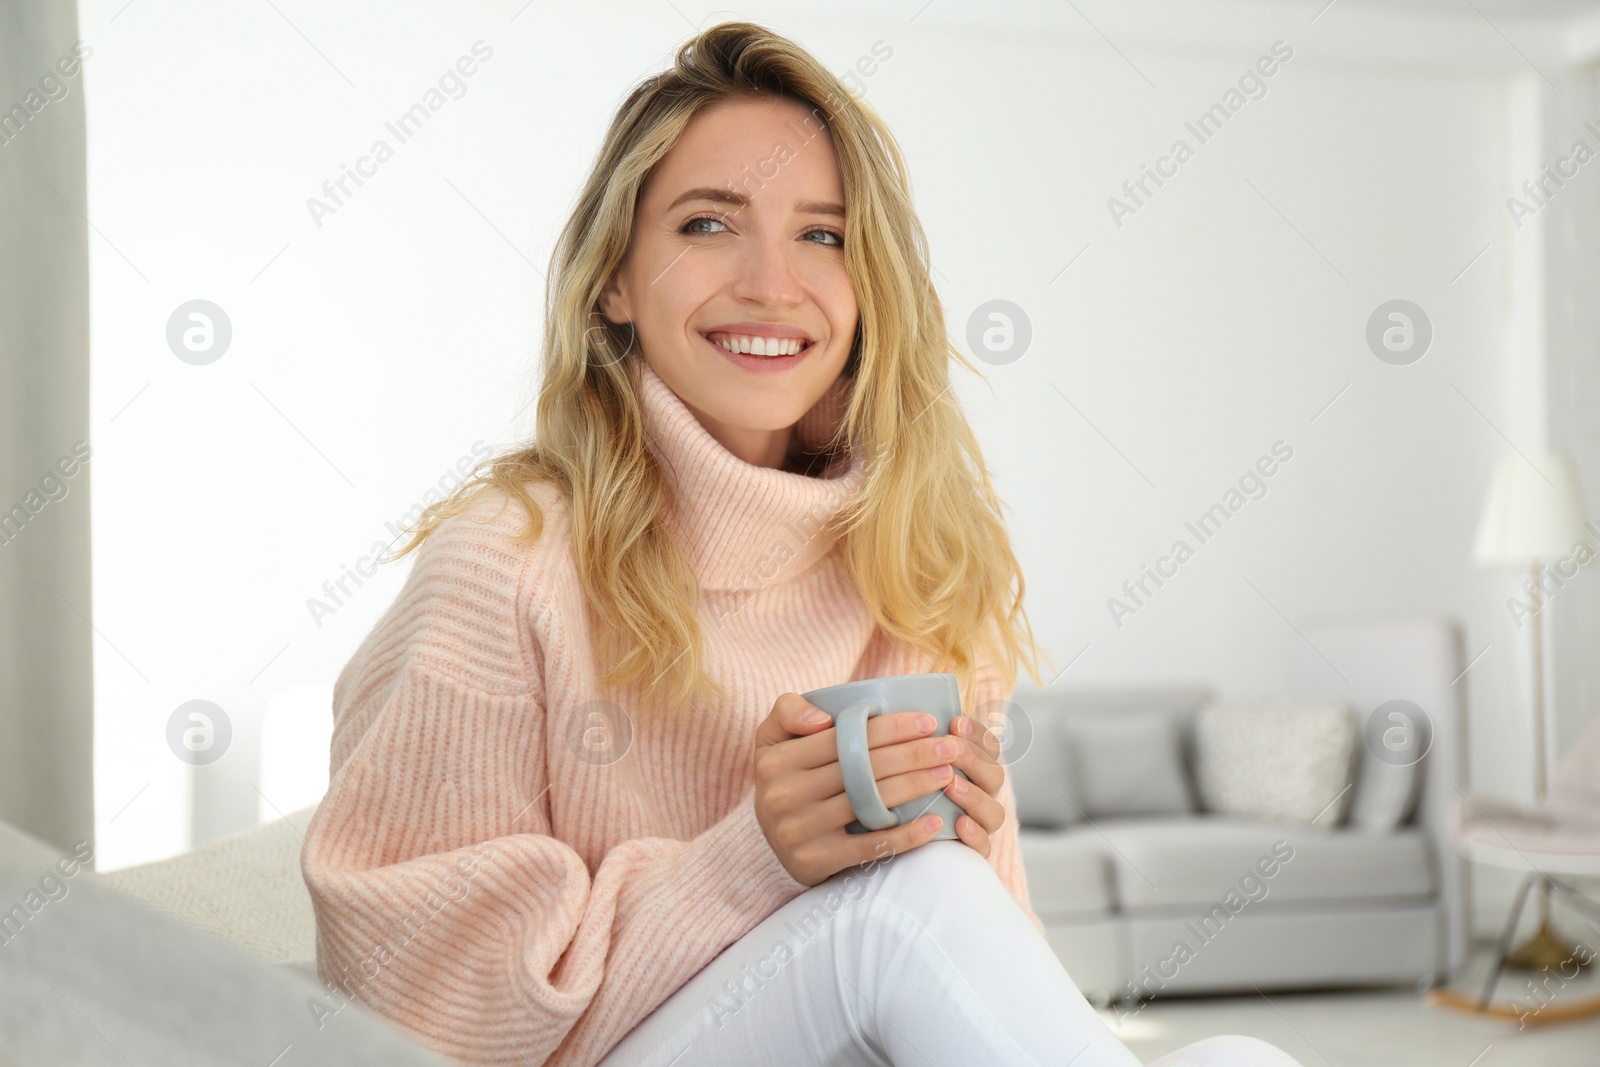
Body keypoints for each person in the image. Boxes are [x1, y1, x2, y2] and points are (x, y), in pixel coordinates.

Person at [301, 20, 1306, 1067]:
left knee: (1244, 1060)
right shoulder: (504, 563)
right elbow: (406, 999)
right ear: (613, 279)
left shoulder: (919, 570)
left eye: (823, 235)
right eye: (706, 224)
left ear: (867, 289)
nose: (772, 283)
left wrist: (967, 835)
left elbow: (976, 965)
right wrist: (751, 860)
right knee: (905, 900)